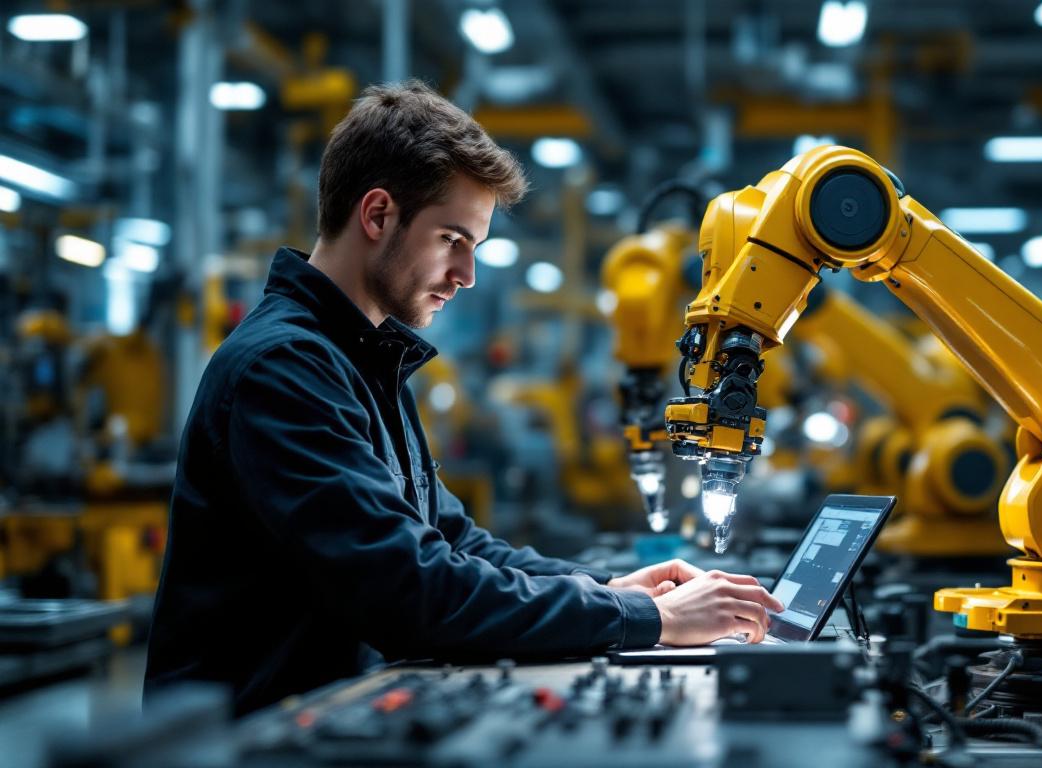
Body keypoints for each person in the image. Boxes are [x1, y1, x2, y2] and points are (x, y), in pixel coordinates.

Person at [144, 80, 782, 715]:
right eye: (454, 240)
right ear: (376, 215)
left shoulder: (362, 363)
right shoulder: (284, 369)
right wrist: (646, 618)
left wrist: (604, 588)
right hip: (251, 742)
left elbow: (453, 544)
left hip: (329, 714)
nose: (467, 275)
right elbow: (413, 591)